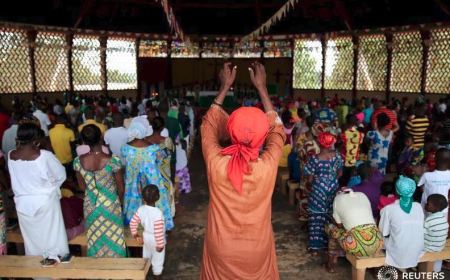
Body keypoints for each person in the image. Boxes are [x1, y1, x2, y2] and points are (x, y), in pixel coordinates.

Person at [200, 62, 285, 279]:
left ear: (230, 130)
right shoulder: (267, 166)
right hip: (257, 249)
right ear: (262, 134)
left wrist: (224, 87)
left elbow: (208, 125)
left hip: (221, 248)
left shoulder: (216, 162)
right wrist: (262, 89)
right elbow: (278, 129)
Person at [8, 123, 69, 264]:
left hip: (23, 205)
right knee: (54, 241)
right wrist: (49, 186)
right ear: (36, 138)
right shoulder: (44, 156)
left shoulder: (11, 155)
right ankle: (56, 272)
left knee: (32, 242)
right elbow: (61, 175)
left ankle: (37, 273)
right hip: (46, 203)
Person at [73, 125, 126, 257]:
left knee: (95, 239)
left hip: (91, 206)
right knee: (115, 239)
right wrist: (117, 202)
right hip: (111, 206)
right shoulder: (113, 161)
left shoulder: (78, 162)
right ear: (101, 137)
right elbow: (121, 188)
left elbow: (82, 187)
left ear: (84, 142)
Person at [121, 117, 174, 230]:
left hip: (133, 183)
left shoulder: (125, 149)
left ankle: (135, 223)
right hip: (152, 181)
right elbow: (159, 162)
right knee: (155, 201)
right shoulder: (153, 148)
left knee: (134, 201)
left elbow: (125, 163)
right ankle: (158, 225)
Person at [325, 188, 383, 273]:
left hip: (357, 246)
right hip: (378, 242)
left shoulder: (338, 199)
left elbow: (339, 225)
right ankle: (375, 269)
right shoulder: (362, 195)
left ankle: (331, 263)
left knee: (330, 228)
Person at [304, 132, 343, 254]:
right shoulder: (337, 156)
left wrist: (314, 185)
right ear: (331, 143)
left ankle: (315, 247)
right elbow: (340, 173)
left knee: (316, 216)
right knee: (330, 215)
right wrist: (332, 179)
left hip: (318, 190)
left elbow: (309, 179)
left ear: (319, 143)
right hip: (333, 188)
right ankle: (329, 245)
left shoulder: (314, 159)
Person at [379, 176, 424, 269]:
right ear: (414, 190)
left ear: (397, 192)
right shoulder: (419, 207)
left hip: (398, 251)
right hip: (417, 249)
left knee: (379, 237)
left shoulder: (388, 209)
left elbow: (384, 232)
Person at [130, 185, 166, 280]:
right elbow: (158, 231)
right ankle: (156, 276)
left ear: (143, 198)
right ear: (158, 197)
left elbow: (133, 223)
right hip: (156, 240)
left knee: (146, 257)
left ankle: (144, 275)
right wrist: (160, 245)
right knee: (157, 261)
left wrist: (136, 235)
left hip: (146, 237)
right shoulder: (158, 213)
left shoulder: (141, 209)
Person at [146, 117, 176, 217]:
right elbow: (172, 161)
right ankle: (164, 225)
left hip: (151, 178)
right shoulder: (168, 141)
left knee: (151, 201)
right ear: (163, 128)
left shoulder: (146, 142)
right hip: (165, 179)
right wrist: (172, 178)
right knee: (165, 202)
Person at [418, 148, 450, 213]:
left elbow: (420, 187)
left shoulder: (426, 175)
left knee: (427, 222)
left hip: (428, 208)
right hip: (443, 209)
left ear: (435, 159)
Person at [424, 194, 449, 272]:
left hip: (429, 248)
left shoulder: (429, 220)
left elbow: (420, 235)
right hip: (439, 246)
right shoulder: (443, 218)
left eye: (428, 204)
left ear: (435, 207)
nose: (425, 204)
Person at [340, 114, 364, 185]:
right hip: (353, 157)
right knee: (349, 176)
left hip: (344, 157)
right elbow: (360, 144)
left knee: (343, 178)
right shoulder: (359, 132)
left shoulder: (343, 132)